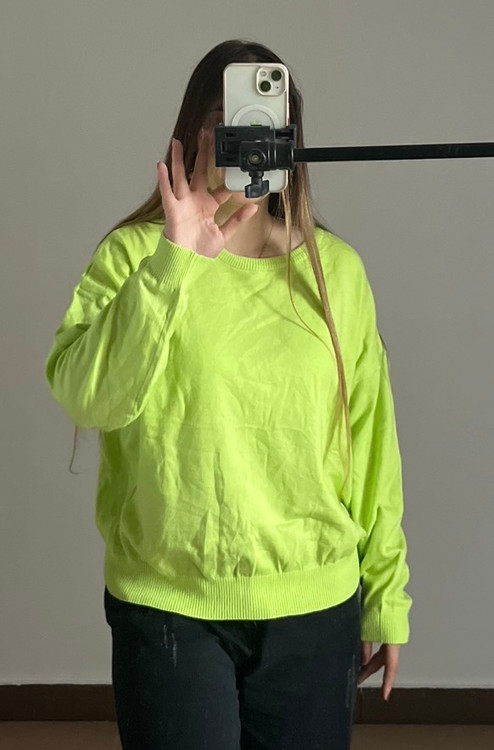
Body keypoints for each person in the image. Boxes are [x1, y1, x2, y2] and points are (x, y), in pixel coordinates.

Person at [45, 38, 412, 750]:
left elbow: (372, 444)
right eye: (225, 118)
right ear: (192, 132)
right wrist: (175, 260)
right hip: (169, 606)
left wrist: (386, 595)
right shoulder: (136, 257)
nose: (245, 134)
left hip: (315, 603)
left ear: (291, 141)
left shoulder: (337, 272)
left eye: (264, 118)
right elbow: (88, 399)